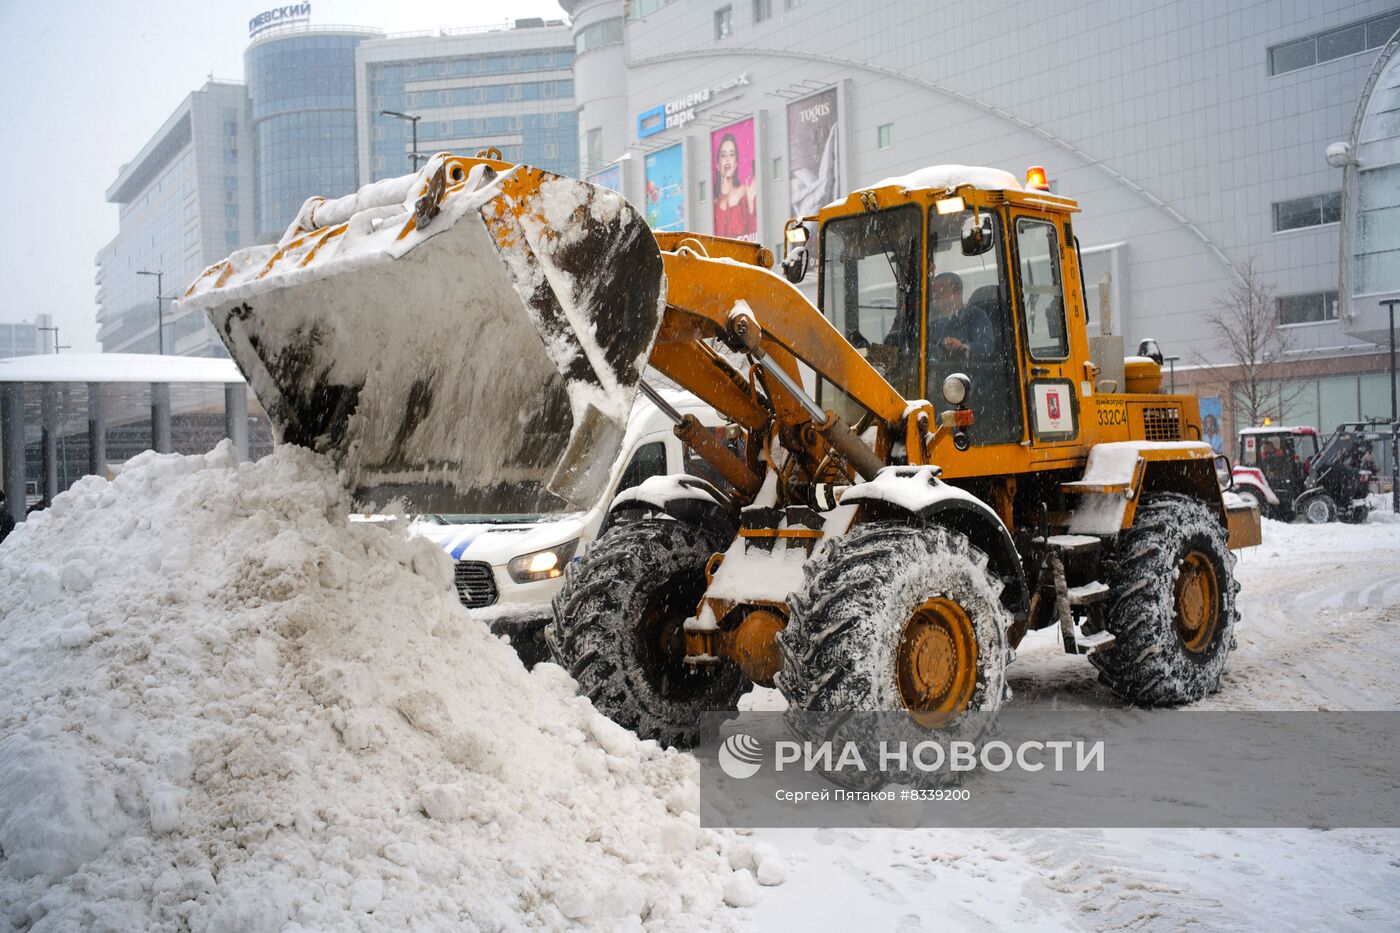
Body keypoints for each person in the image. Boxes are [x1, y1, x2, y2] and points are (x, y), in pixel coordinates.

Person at [926, 272, 993, 361]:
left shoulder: (976, 315)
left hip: (970, 371)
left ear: (957, 292)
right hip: (937, 372)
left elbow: (986, 346)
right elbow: (926, 352)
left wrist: (963, 347)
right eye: (934, 290)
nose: (935, 295)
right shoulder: (932, 323)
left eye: (941, 290)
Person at [713, 133, 757, 240]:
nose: (728, 159)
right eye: (723, 155)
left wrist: (751, 203)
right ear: (718, 165)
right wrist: (723, 199)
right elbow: (718, 241)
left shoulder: (745, 191)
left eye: (731, 154)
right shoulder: (715, 205)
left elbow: (755, 234)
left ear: (736, 163)